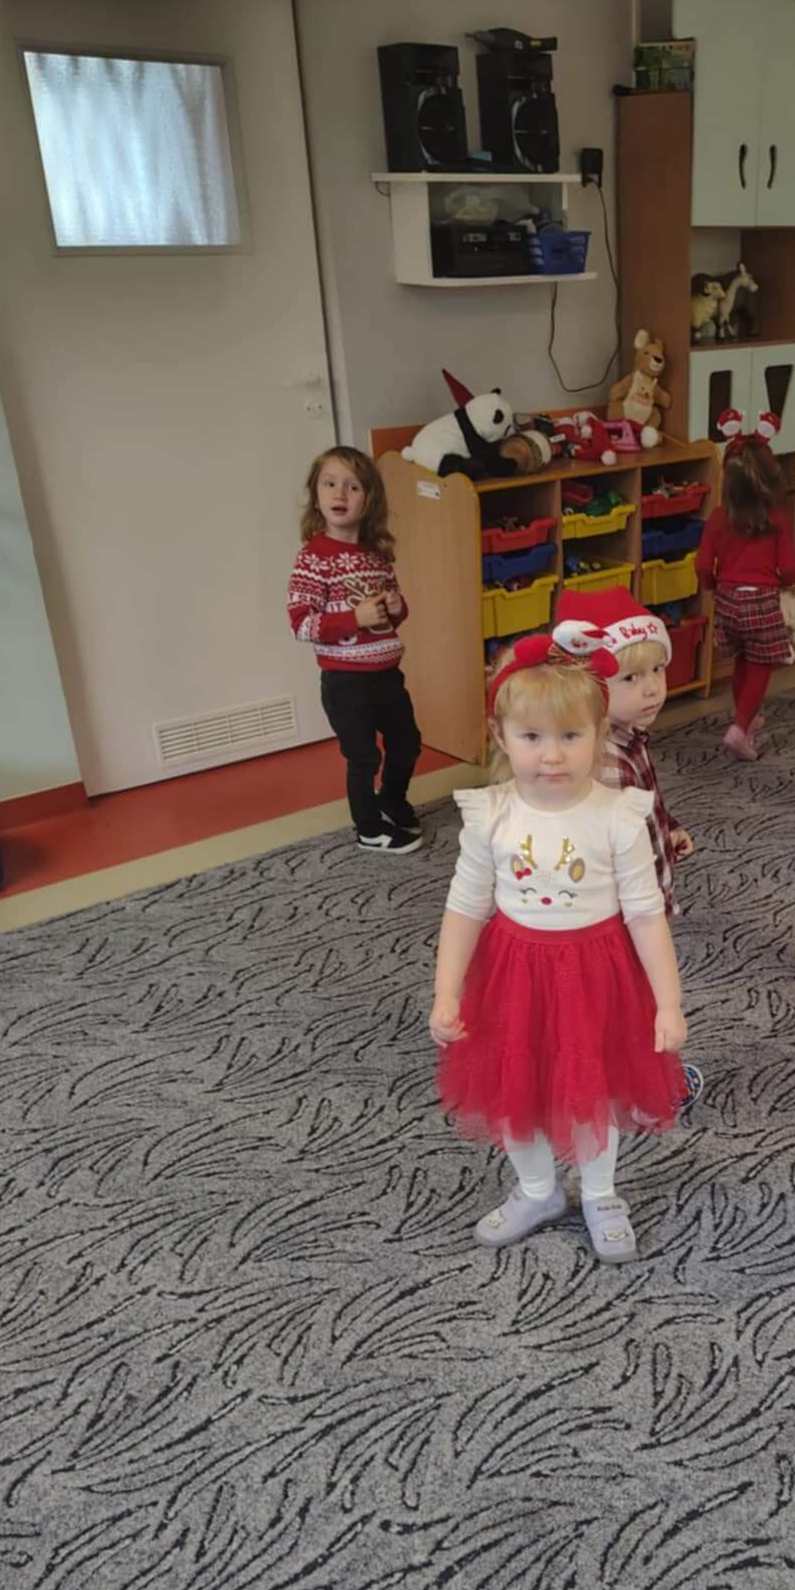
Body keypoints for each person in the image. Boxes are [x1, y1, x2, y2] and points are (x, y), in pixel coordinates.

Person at [430, 641, 686, 1261]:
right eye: (532, 737)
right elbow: (465, 907)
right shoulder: (491, 815)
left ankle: (600, 1195)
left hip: (597, 974)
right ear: (502, 736)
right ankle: (538, 1190)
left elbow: (645, 914)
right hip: (513, 974)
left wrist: (668, 1003)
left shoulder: (617, 816)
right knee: (515, 1086)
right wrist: (446, 992)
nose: (551, 754)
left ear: (599, 735)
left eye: (571, 735)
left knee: (593, 1090)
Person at [573, 585, 706, 1118]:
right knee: (641, 1002)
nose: (652, 688)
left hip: (633, 904)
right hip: (623, 916)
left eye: (657, 670)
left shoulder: (627, 737)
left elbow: (641, 807)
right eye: (630, 678)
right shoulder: (606, 762)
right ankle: (651, 1091)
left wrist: (665, 830)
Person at [287, 446, 421, 854]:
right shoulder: (313, 558)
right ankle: (368, 829)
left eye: (353, 486)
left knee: (407, 743)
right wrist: (355, 618)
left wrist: (396, 609)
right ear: (317, 495)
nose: (339, 494)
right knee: (363, 757)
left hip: (387, 675)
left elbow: (393, 614)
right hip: (345, 682)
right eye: (329, 484)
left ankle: (391, 801)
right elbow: (302, 625)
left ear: (369, 499)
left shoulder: (376, 556)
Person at [696, 412, 795, 762]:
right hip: (761, 603)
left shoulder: (718, 518)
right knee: (760, 666)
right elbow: (788, 569)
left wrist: (712, 586)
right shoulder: (778, 520)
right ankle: (740, 728)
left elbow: (702, 566)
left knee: (742, 660)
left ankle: (747, 716)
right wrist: (786, 584)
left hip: (728, 602)